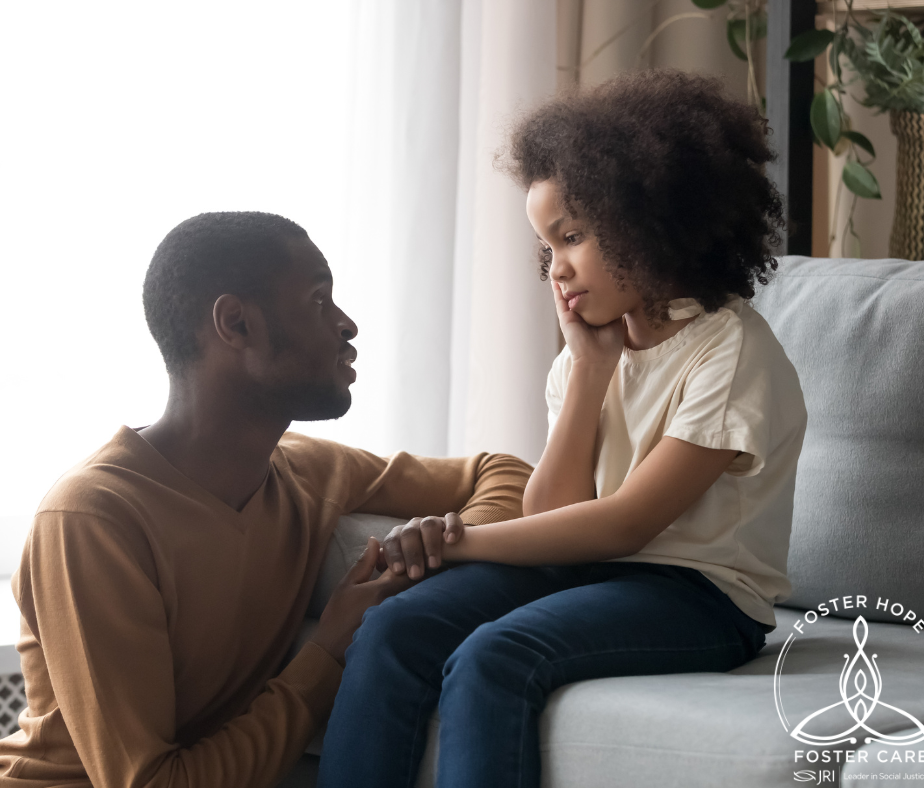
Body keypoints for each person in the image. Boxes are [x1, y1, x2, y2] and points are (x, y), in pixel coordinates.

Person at [317, 69, 809, 788]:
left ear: (647, 219)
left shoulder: (729, 350)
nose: (557, 269)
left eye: (571, 236)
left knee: (495, 656)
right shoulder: (589, 358)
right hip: (591, 573)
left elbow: (624, 524)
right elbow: (554, 515)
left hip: (699, 597)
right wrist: (586, 373)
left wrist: (458, 543)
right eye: (546, 249)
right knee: (392, 628)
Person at [0, 212, 531, 788]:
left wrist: (456, 550)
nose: (347, 325)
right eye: (319, 300)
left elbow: (501, 470)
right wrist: (327, 652)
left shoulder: (309, 470)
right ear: (236, 323)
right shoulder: (93, 519)